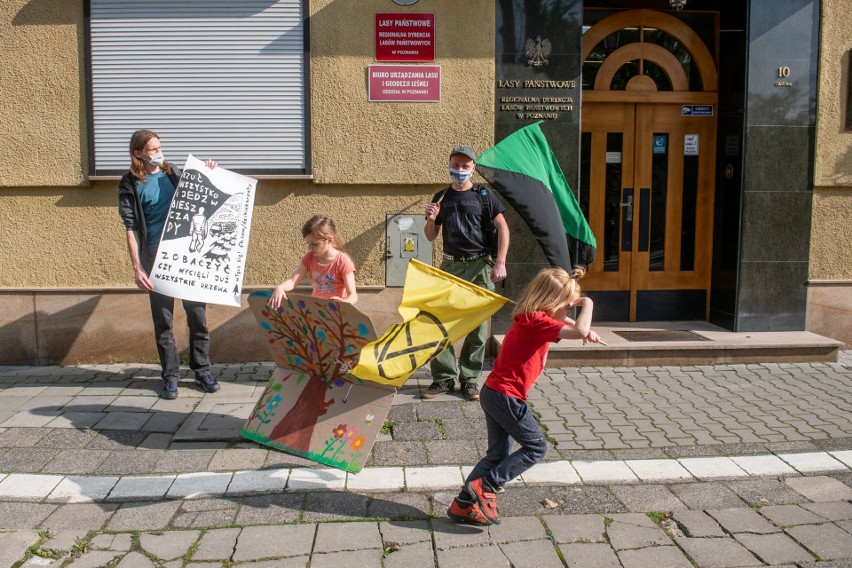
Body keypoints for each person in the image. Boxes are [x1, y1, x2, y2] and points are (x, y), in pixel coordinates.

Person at [448, 267, 601, 525]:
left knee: (497, 455)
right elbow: (573, 329)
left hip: (493, 393)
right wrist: (588, 303)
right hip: (507, 397)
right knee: (536, 447)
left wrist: (582, 328)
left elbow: (568, 325)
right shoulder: (538, 322)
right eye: (569, 306)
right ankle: (489, 487)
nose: (569, 312)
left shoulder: (532, 317)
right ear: (551, 302)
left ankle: (463, 505)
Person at [118, 129, 221, 399]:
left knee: (197, 317)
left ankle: (202, 370)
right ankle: (171, 376)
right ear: (138, 153)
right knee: (163, 321)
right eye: (152, 149)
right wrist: (138, 267)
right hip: (154, 259)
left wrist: (209, 171)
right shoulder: (130, 183)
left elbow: (200, 195)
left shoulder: (172, 173)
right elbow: (130, 228)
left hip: (185, 256)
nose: (158, 152)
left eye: (159, 147)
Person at [422, 145, 510, 401]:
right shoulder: (441, 197)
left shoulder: (485, 195)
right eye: (455, 165)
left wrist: (500, 262)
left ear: (473, 168)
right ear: (449, 165)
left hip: (480, 265)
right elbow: (430, 237)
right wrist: (429, 219)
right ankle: (443, 379)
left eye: (464, 165)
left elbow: (503, 229)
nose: (459, 170)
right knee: (441, 323)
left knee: (477, 326)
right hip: (450, 267)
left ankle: (470, 379)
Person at [269, 215, 358, 309]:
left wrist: (344, 303)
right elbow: (292, 281)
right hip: (317, 310)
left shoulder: (343, 261)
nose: (310, 248)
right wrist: (280, 287)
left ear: (329, 240)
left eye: (314, 244)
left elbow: (353, 295)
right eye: (308, 243)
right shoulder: (309, 257)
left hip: (338, 312)